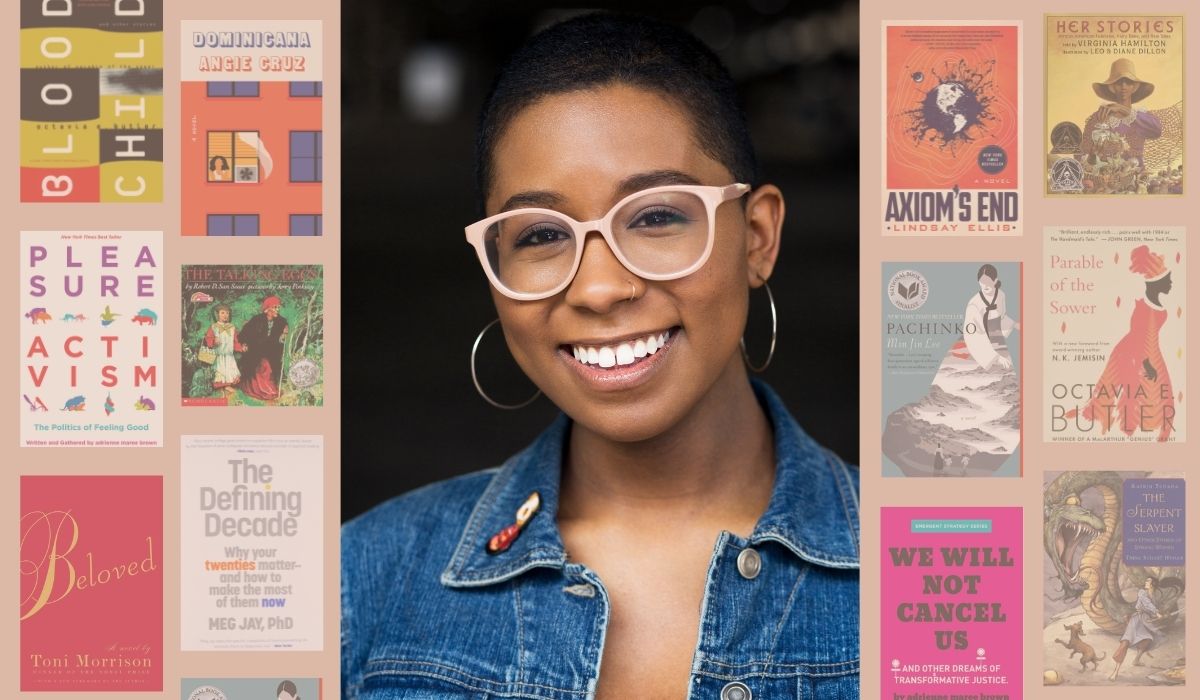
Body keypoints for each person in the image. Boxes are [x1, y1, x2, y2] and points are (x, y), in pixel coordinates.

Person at [341, 12, 859, 700]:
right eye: (541, 235)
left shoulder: (953, 570)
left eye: (653, 216)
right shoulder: (365, 581)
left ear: (758, 237)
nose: (600, 287)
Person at [1066, 245, 1176, 441]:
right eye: (1168, 279)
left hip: (1148, 351)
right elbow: (1137, 339)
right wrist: (1146, 364)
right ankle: (1136, 427)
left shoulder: (1154, 306)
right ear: (1156, 282)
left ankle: (1156, 429)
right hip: (1133, 352)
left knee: (1154, 389)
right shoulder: (1143, 310)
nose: (1171, 282)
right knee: (1134, 387)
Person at [1108, 577, 1163, 680]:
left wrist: (1157, 615)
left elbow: (1150, 610)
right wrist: (1157, 612)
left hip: (1146, 621)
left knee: (1147, 639)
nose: (1146, 582)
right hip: (1137, 620)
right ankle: (1115, 672)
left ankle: (1136, 660)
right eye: (1146, 580)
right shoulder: (1142, 592)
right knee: (1125, 643)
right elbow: (1147, 603)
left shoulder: (1154, 596)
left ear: (1152, 584)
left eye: (1148, 581)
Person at [238, 295, 288, 401]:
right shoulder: (257, 320)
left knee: (268, 367)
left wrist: (283, 336)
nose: (277, 310)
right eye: (275, 307)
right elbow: (244, 334)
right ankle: (260, 390)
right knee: (262, 366)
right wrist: (244, 344)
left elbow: (279, 341)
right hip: (255, 350)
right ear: (267, 309)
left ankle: (269, 390)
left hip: (271, 352)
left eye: (278, 307)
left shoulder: (281, 322)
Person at [203, 303, 244, 394]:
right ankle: (221, 386)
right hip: (219, 355)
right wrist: (214, 341)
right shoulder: (214, 327)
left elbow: (235, 341)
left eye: (227, 313)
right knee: (219, 371)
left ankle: (227, 385)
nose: (225, 315)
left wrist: (241, 348)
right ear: (217, 315)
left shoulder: (232, 327)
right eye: (222, 313)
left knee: (229, 370)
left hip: (229, 355)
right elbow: (208, 338)